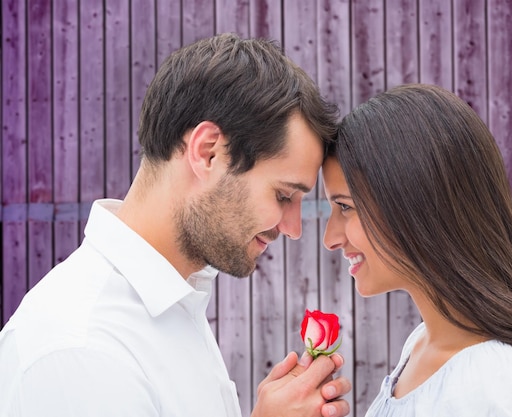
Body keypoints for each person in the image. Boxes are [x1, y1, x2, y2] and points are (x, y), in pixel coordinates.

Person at [0, 33, 351, 417]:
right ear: (208, 152)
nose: (294, 228)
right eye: (283, 196)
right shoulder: (82, 348)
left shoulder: (172, 305)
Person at [321, 83, 512, 417]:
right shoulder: (424, 343)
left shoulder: (488, 378)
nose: (330, 238)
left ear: (415, 203)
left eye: (345, 207)